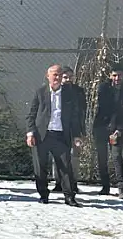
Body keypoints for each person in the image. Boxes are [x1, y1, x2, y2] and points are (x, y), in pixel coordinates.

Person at [26, 64, 84, 206]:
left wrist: (77, 135)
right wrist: (30, 133)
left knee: (65, 166)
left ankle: (69, 196)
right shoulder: (40, 92)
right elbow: (31, 114)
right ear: (48, 76)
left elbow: (75, 117)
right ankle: (43, 195)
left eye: (59, 74)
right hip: (42, 135)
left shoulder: (69, 94)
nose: (57, 77)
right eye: (54, 75)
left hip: (61, 135)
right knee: (40, 167)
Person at [91, 66, 123, 198]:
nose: (117, 78)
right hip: (101, 126)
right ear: (110, 75)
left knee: (116, 157)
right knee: (102, 157)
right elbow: (105, 105)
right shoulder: (104, 88)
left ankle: (122, 188)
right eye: (115, 75)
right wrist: (122, 106)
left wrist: (120, 129)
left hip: (117, 128)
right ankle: (105, 186)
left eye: (120, 75)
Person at [52, 67, 85, 194]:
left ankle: (73, 182)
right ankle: (59, 182)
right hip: (58, 128)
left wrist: (81, 132)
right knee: (57, 156)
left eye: (71, 77)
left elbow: (82, 111)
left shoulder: (78, 91)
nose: (68, 79)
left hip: (74, 128)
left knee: (74, 156)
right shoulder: (55, 90)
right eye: (65, 77)